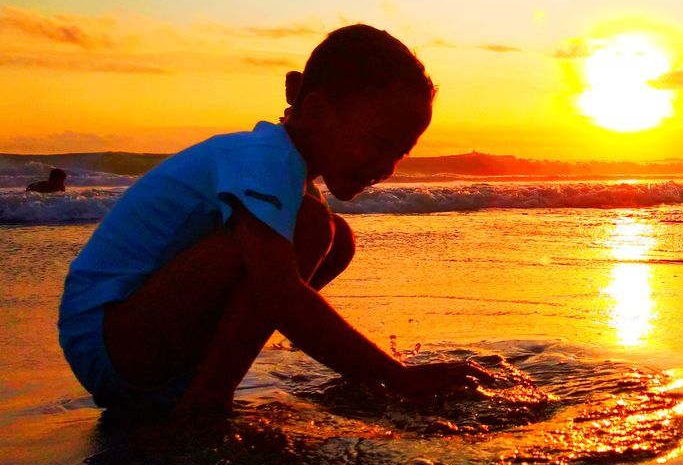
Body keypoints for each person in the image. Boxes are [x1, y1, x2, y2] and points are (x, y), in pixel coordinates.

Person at [58, 24, 499, 415]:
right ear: (318, 111)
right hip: (111, 338)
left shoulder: (287, 173)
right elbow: (278, 293)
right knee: (311, 228)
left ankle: (202, 383)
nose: (387, 166)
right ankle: (208, 396)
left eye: (400, 153)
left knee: (336, 238)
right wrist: (398, 377)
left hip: (145, 353)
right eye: (380, 142)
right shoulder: (263, 156)